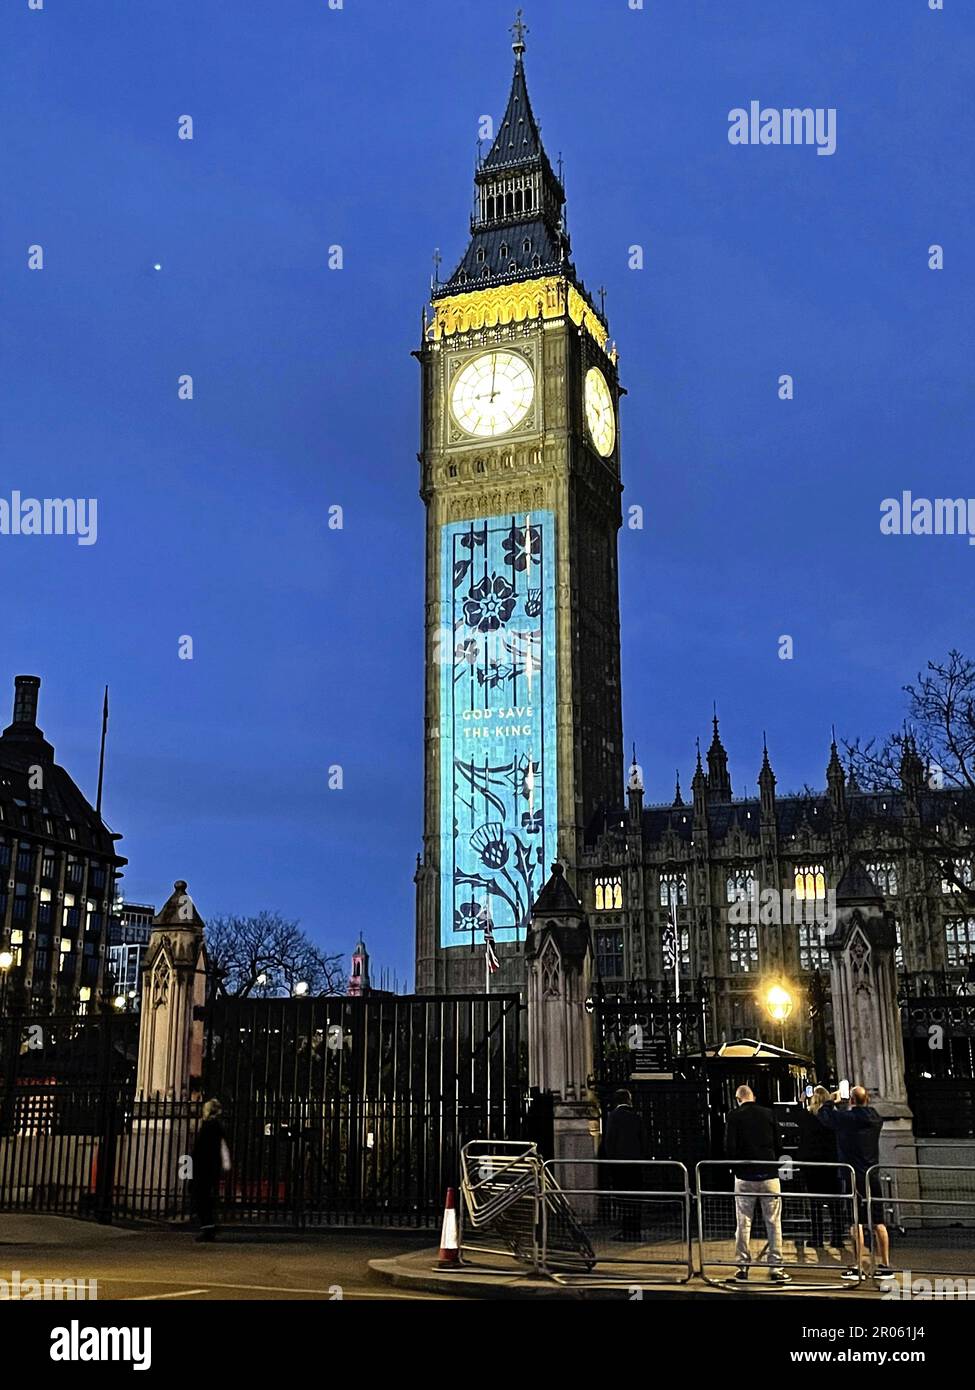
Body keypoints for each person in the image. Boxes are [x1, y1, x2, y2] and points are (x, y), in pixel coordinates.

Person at [817, 1085, 893, 1282]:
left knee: (856, 1222)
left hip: (852, 1177)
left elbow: (823, 1115)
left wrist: (831, 1101)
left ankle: (859, 1265)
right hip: (871, 1174)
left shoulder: (847, 1119)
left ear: (851, 1100)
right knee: (878, 1222)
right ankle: (885, 1265)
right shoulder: (875, 1118)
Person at [724, 1084, 791, 1283]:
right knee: (773, 1222)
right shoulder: (768, 1114)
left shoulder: (734, 1116)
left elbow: (729, 1146)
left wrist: (735, 1167)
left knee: (743, 1222)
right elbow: (779, 1144)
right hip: (769, 1174)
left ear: (738, 1099)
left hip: (744, 1175)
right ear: (753, 1096)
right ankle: (776, 1267)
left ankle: (743, 1266)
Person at [796, 1085, 846, 1251]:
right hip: (831, 1163)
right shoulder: (832, 1117)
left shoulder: (806, 1117)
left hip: (811, 1165)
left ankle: (817, 1237)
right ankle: (837, 1237)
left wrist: (801, 1101)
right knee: (835, 1203)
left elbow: (797, 1117)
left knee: (815, 1203)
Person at [599, 1088, 646, 1241]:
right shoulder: (636, 1117)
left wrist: (610, 1160)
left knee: (623, 1199)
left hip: (619, 1165)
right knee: (635, 1199)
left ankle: (626, 1231)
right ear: (628, 1100)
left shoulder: (613, 1117)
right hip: (636, 1164)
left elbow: (609, 1141)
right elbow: (643, 1141)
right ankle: (635, 1230)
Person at [192, 1098, 231, 1243]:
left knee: (201, 1197)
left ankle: (208, 1227)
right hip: (210, 1167)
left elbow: (200, 1149)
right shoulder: (217, 1126)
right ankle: (209, 1227)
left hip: (204, 1168)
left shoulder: (209, 1126)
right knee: (205, 1197)